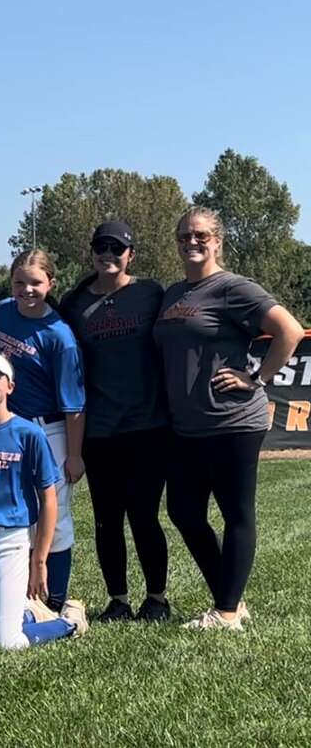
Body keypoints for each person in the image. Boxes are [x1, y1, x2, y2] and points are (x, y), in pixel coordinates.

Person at [154, 207, 303, 631]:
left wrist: (255, 376)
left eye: (200, 235)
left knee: (237, 513)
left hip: (233, 422)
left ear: (218, 240)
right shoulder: (173, 294)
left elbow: (289, 330)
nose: (192, 242)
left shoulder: (234, 288)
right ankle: (230, 598)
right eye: (184, 236)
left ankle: (225, 611)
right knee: (183, 511)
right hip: (186, 427)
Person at [59, 222, 171, 623]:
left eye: (117, 248)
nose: (109, 254)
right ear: (91, 253)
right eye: (101, 247)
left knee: (144, 515)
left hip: (147, 425)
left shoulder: (150, 293)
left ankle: (157, 598)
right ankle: (118, 599)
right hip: (100, 428)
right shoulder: (74, 304)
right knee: (108, 518)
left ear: (131, 254)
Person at [0, 351, 88, 649]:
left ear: (10, 386)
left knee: (7, 642)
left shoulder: (29, 433)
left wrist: (40, 560)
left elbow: (48, 499)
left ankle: (69, 621)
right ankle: (25, 614)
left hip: (11, 539)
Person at [0, 249, 85, 611]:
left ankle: (54, 600)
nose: (27, 289)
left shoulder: (59, 335)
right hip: (7, 426)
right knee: (15, 513)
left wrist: (74, 455)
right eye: (19, 282)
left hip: (48, 431)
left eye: (36, 282)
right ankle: (20, 597)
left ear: (51, 284)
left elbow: (74, 405)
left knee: (53, 518)